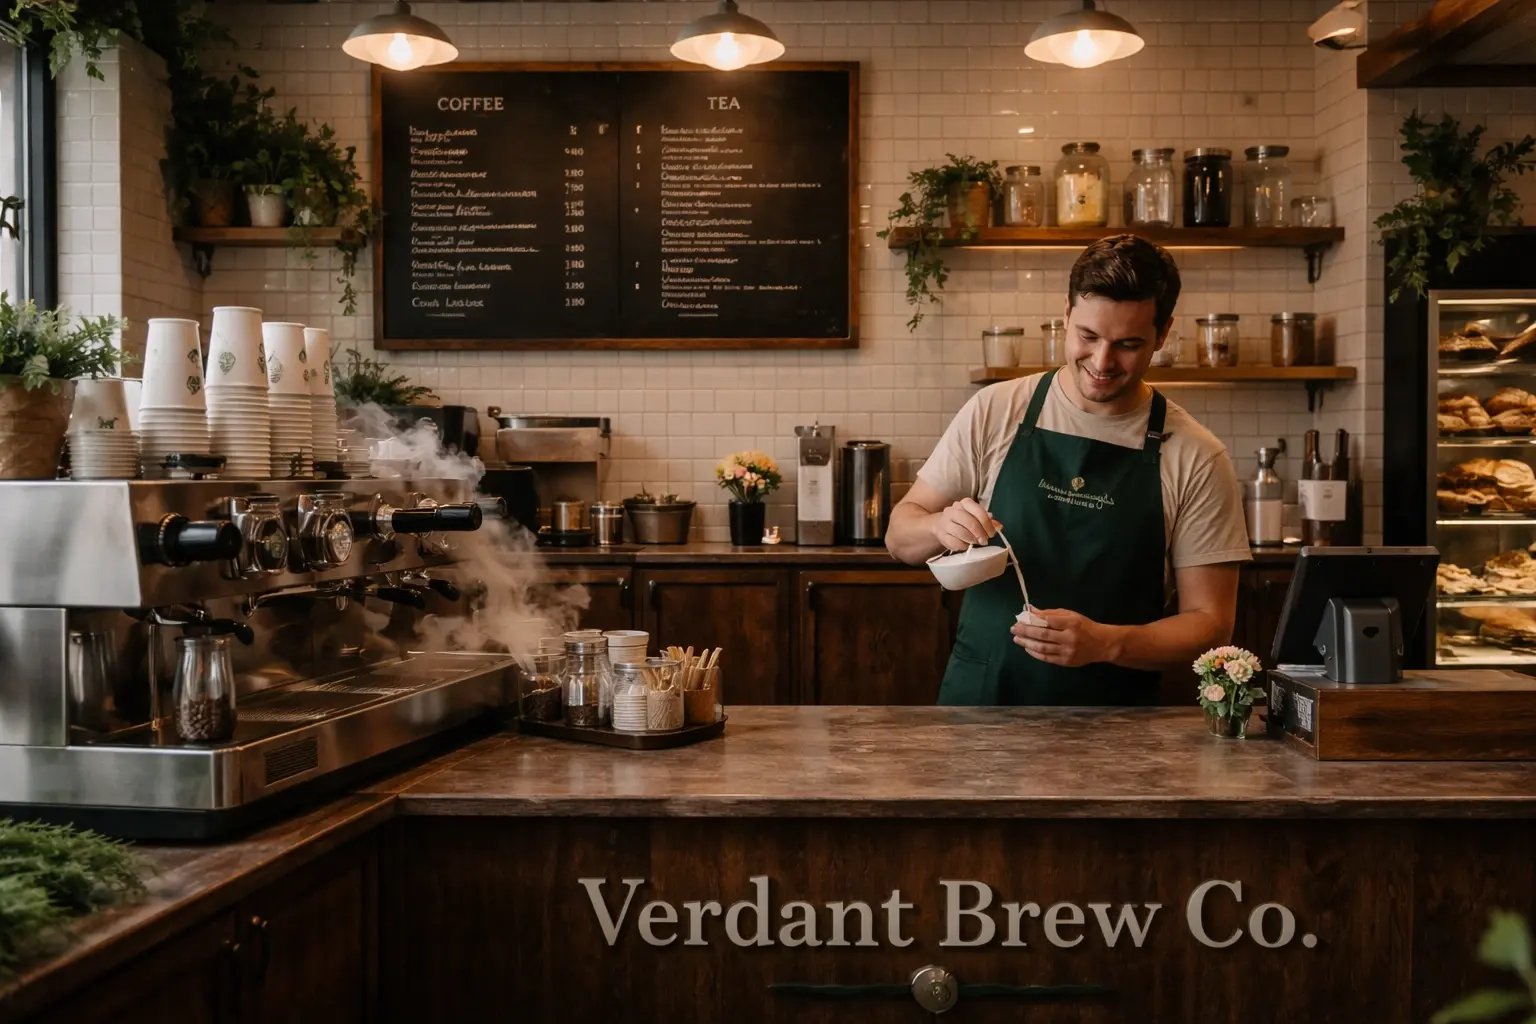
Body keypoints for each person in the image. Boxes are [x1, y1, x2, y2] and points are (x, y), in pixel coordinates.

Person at [886, 234, 1251, 706]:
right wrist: (938, 525)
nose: (1102, 362)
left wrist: (1107, 643)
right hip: (982, 709)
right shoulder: (997, 410)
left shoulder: (1197, 456)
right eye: (1088, 336)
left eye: (1128, 344)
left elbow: (1210, 622)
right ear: (1065, 314)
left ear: (1163, 335)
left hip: (1114, 721)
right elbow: (900, 538)